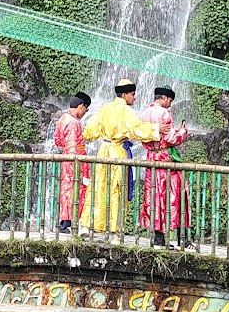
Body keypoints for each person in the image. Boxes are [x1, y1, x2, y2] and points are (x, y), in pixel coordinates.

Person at [81, 79, 159, 234]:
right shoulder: (126, 111)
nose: (135, 97)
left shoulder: (104, 108)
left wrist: (89, 136)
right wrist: (156, 129)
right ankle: (114, 230)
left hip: (103, 151)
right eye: (132, 94)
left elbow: (90, 130)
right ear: (125, 95)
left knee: (98, 186)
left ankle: (86, 226)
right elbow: (136, 130)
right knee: (116, 189)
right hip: (118, 152)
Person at [138, 85, 190, 248]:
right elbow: (171, 139)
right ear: (165, 98)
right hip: (165, 159)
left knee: (154, 196)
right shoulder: (164, 113)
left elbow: (140, 134)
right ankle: (183, 240)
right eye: (170, 100)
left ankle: (158, 239)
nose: (170, 104)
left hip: (151, 157)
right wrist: (182, 132)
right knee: (178, 194)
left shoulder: (144, 113)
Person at [52, 93, 91, 232]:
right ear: (81, 106)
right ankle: (69, 223)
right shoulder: (74, 123)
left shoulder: (63, 118)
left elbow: (57, 141)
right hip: (75, 159)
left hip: (66, 157)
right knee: (77, 189)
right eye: (85, 110)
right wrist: (77, 167)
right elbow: (73, 146)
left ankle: (65, 222)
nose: (84, 113)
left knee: (67, 190)